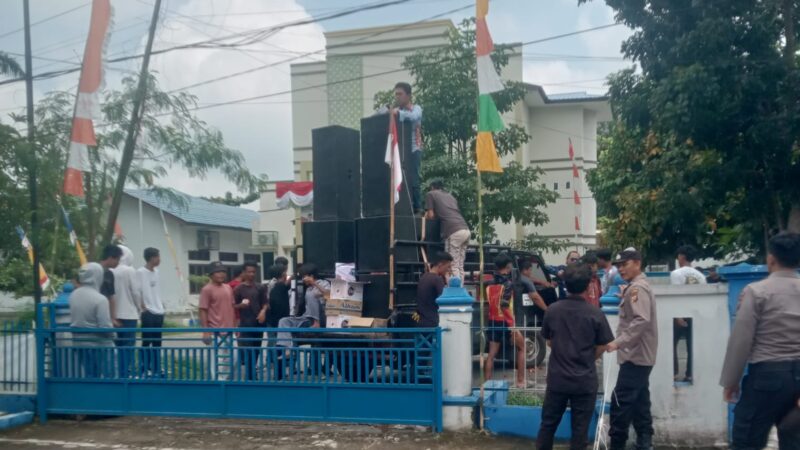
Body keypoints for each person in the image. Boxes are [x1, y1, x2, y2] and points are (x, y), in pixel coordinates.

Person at [720, 232, 800, 449]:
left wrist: (731, 382)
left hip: (766, 378)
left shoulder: (757, 292)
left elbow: (741, 340)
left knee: (746, 440)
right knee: (793, 439)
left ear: (771, 259)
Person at [536, 263, 615, 450]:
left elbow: (548, 341)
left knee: (548, 425)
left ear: (565, 285)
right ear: (588, 286)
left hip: (558, 379)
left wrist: (563, 349)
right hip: (584, 380)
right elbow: (604, 344)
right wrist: (589, 357)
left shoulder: (553, 310)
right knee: (580, 432)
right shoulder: (595, 313)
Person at [605, 249, 658, 450]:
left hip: (635, 355)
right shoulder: (634, 288)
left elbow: (641, 319)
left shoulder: (637, 289)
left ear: (637, 263)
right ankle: (645, 442)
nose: (620, 269)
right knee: (640, 401)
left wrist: (619, 342)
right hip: (641, 355)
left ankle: (617, 443)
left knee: (620, 401)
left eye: (624, 264)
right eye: (618, 265)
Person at [485, 253, 526, 388]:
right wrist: (512, 323)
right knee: (522, 348)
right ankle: (520, 382)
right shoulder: (508, 284)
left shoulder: (489, 283)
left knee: (491, 354)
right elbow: (504, 305)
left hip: (492, 320)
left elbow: (488, 304)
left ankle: (487, 384)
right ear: (508, 266)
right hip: (506, 321)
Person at [69, 263, 115, 378]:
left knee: (90, 374)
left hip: (78, 343)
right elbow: (105, 327)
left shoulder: (73, 295)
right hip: (98, 344)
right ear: (98, 276)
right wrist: (114, 334)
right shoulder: (100, 299)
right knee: (111, 370)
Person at [668, 245, 705, 382]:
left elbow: (676, 296)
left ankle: (675, 372)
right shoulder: (701, 276)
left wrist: (677, 316)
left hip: (680, 314)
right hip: (696, 315)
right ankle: (690, 374)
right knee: (692, 345)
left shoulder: (676, 274)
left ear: (682, 257)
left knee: (672, 344)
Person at [425, 180, 471, 281]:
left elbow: (431, 215)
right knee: (459, 265)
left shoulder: (431, 194)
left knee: (451, 264)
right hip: (465, 230)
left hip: (453, 231)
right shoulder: (450, 196)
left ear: (432, 187)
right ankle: (460, 290)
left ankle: (454, 291)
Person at [199, 262, 236, 380]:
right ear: (211, 274)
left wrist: (235, 327)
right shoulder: (207, 289)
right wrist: (205, 331)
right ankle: (217, 385)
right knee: (216, 363)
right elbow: (203, 310)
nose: (221, 274)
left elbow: (232, 307)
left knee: (233, 358)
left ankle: (224, 381)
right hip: (215, 331)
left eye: (223, 271)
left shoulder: (228, 287)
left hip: (230, 331)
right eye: (218, 272)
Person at [276, 264, 329, 347]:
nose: (302, 279)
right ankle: (286, 347)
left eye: (304, 277)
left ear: (311, 276)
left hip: (322, 316)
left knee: (311, 295)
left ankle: (316, 323)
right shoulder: (308, 288)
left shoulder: (323, 283)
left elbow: (329, 295)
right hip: (307, 317)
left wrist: (314, 283)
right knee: (283, 321)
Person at [233, 262, 268, 380]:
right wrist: (240, 306)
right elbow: (233, 306)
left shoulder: (260, 287)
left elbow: (266, 303)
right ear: (243, 272)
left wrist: (263, 311)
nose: (251, 274)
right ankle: (250, 375)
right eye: (249, 272)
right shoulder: (238, 289)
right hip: (245, 325)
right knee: (248, 351)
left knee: (256, 349)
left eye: (253, 272)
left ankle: (253, 373)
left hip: (258, 324)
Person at [392, 81, 423, 213]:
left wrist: (398, 114)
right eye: (396, 94)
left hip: (414, 149)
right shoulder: (397, 110)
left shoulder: (416, 108)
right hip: (400, 151)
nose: (397, 97)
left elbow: (414, 117)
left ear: (408, 95)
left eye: (400, 94)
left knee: (414, 178)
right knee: (400, 177)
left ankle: (418, 207)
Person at [111, 245, 142, 378]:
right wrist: (140, 308)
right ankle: (125, 373)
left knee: (115, 345)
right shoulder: (129, 270)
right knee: (128, 345)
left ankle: (115, 373)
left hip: (113, 315)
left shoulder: (109, 270)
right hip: (129, 314)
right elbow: (135, 291)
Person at [137, 247, 165, 377]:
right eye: (157, 256)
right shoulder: (140, 272)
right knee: (146, 340)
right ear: (151, 258)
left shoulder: (157, 272)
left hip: (158, 310)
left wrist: (161, 305)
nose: (159, 259)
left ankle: (156, 367)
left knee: (157, 341)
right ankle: (144, 367)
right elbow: (138, 290)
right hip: (148, 311)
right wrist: (142, 306)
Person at [416, 251, 453, 327]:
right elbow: (446, 300)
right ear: (440, 265)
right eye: (448, 266)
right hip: (433, 322)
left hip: (420, 321)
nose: (449, 270)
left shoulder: (423, 277)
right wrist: (448, 282)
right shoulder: (437, 279)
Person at [518, 259, 549, 327]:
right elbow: (535, 297)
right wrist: (547, 309)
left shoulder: (517, 278)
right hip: (522, 312)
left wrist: (542, 282)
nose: (531, 272)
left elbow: (531, 278)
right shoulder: (527, 281)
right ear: (526, 270)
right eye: (530, 270)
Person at [98, 244, 122, 326]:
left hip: (105, 311)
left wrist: (113, 318)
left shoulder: (109, 274)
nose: (118, 263)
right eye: (117, 260)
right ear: (110, 257)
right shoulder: (94, 271)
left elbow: (111, 297)